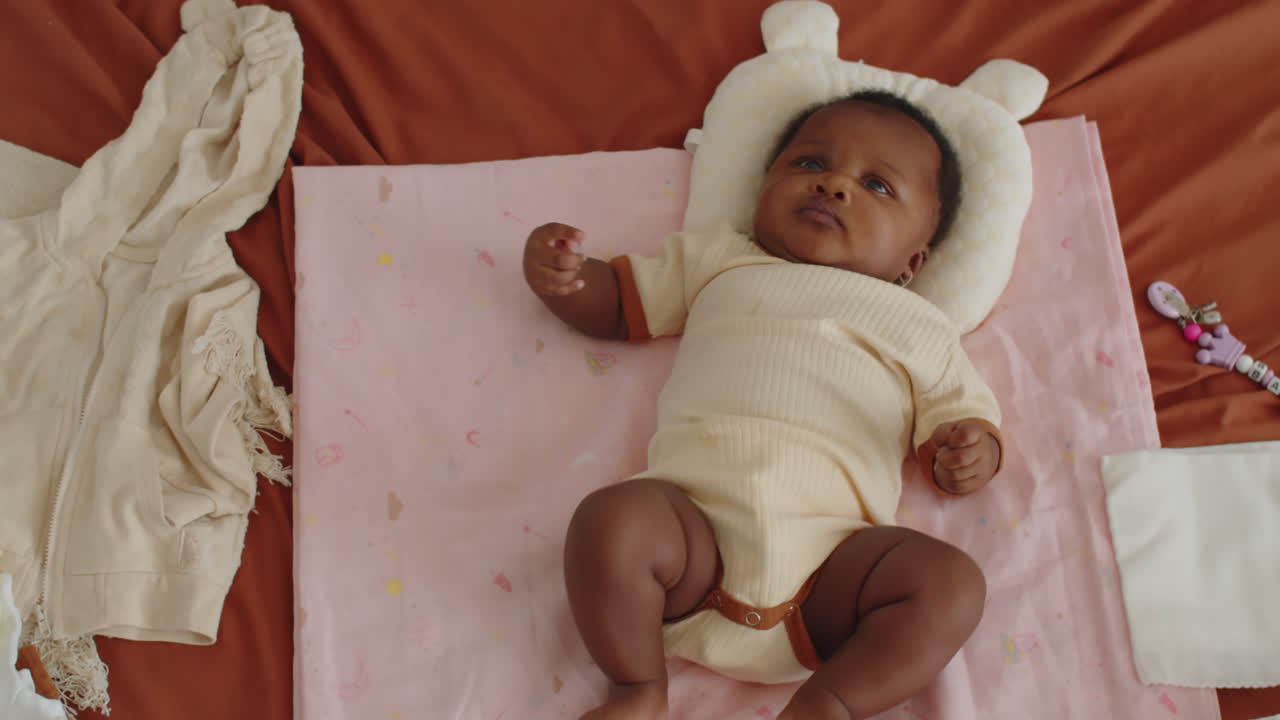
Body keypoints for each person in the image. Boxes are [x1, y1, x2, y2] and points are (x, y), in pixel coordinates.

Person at [521, 90, 1004, 720]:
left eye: (877, 186)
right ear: (763, 188)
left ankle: (827, 703)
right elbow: (617, 304)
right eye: (809, 165)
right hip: (689, 544)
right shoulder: (719, 260)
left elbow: (961, 423)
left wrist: (971, 450)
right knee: (611, 519)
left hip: (829, 576)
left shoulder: (922, 326)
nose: (834, 186)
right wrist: (566, 277)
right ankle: (637, 687)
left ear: (913, 261)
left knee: (950, 584)